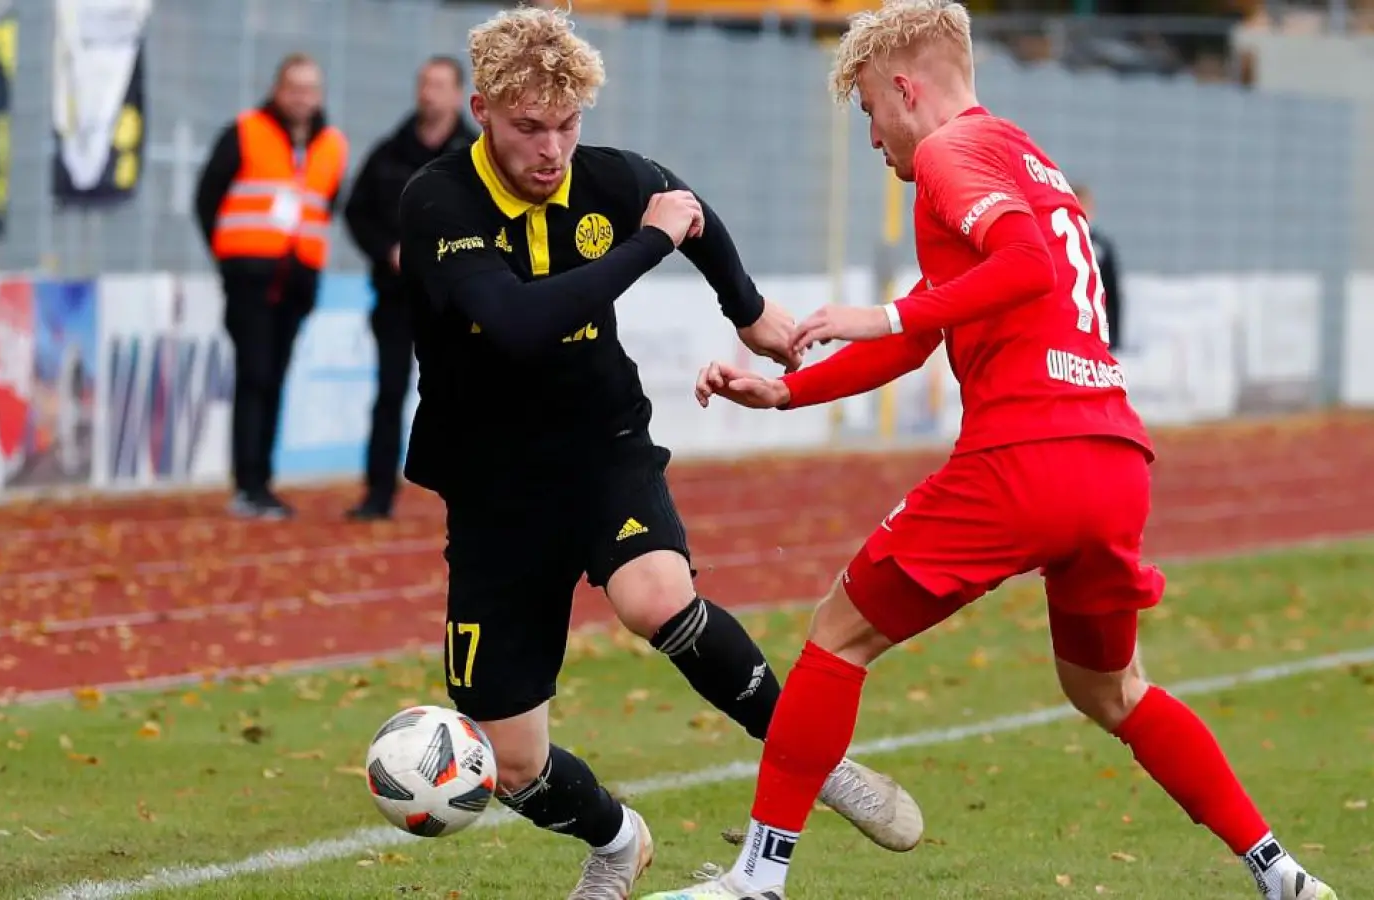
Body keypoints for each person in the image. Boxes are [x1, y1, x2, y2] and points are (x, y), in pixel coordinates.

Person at [642, 2, 1339, 899]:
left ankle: (757, 879)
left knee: (837, 636)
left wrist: (880, 309)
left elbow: (1023, 270)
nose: (871, 141)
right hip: (1114, 463)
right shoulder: (1023, 154)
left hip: (1025, 458)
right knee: (1111, 691)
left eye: (866, 111)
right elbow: (934, 329)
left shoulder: (946, 153)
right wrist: (787, 389)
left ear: (904, 88)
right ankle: (1279, 872)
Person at [393, 9, 923, 899]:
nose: (552, 149)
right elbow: (519, 325)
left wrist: (748, 313)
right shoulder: (438, 198)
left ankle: (813, 757)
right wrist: (649, 243)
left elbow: (693, 213)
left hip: (602, 447)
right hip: (492, 491)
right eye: (529, 127)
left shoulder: (606, 177)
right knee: (510, 764)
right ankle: (616, 841)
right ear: (481, 110)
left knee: (656, 599)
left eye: (568, 125)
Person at [195, 53, 349, 519]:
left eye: (310, 89)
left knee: (276, 376)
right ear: (276, 89)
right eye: (294, 88)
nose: (302, 98)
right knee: (255, 374)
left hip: (299, 278)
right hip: (250, 276)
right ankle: (249, 484)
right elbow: (207, 198)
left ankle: (262, 479)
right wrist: (228, 256)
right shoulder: (244, 131)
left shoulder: (332, 145)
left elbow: (328, 204)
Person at [343, 55, 479, 521]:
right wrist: (387, 250)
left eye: (439, 85)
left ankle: (470, 496)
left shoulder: (475, 156)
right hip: (398, 298)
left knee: (463, 396)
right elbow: (355, 212)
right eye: (424, 83)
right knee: (389, 392)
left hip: (455, 302)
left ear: (458, 94)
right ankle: (377, 494)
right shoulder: (389, 152)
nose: (428, 93)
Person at [1074, 183, 1125, 352]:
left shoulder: (1101, 246)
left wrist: (1115, 336)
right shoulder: (1060, 241)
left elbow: (1113, 293)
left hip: (1097, 327)